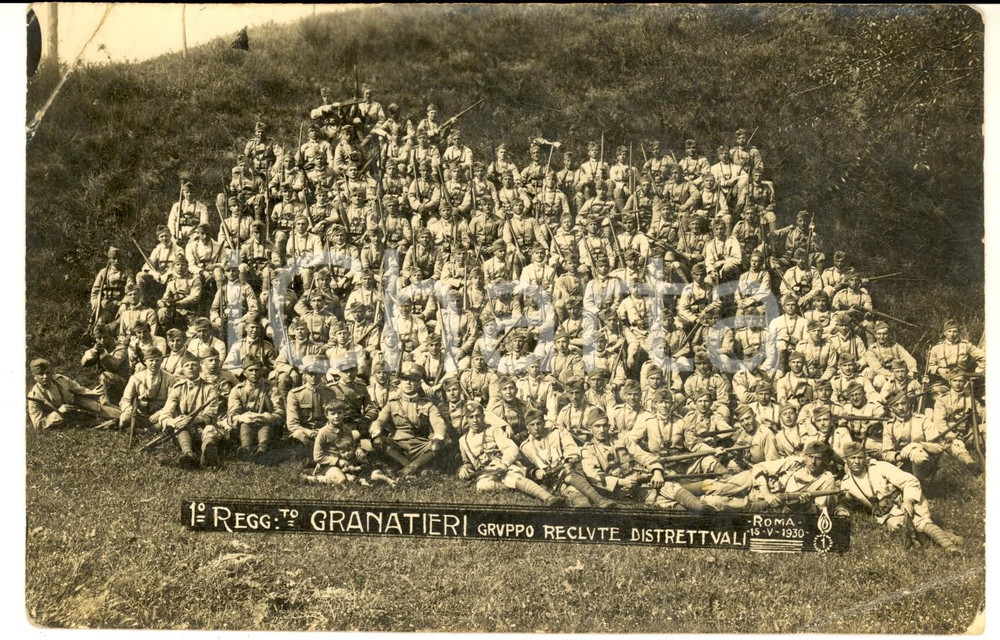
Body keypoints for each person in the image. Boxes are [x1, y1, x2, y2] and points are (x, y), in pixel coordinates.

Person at [581, 407, 713, 512]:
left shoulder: (621, 439)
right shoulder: (588, 450)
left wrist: (656, 470)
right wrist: (621, 482)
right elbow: (594, 476)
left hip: (639, 476)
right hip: (621, 489)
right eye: (597, 426)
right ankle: (695, 514)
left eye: (605, 425)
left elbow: (642, 455)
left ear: (609, 426)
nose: (602, 430)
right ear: (590, 428)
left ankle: (702, 508)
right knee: (659, 500)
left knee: (669, 486)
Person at [840, 442, 962, 553]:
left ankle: (950, 547)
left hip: (906, 498)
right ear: (846, 460)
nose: (856, 461)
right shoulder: (846, 484)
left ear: (865, 458)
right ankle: (945, 534)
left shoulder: (879, 467)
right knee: (897, 527)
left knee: (920, 521)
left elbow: (910, 481)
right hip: (887, 513)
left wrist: (908, 501)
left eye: (860, 457)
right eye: (852, 458)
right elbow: (851, 505)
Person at [458, 404, 565, 505]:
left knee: (511, 476)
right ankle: (521, 487)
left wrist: (504, 464)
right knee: (482, 485)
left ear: (483, 416)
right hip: (486, 473)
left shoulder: (494, 430)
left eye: (478, 416)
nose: (475, 420)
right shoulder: (463, 441)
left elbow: (511, 448)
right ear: (466, 419)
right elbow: (468, 463)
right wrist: (463, 468)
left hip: (503, 466)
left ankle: (548, 497)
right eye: (471, 417)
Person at [518, 408, 613, 508]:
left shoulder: (557, 432)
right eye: (532, 425)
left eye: (539, 423)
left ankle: (595, 500)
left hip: (568, 469)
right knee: (569, 488)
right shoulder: (525, 447)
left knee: (568, 474)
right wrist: (536, 471)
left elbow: (570, 447)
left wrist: (568, 459)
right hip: (551, 479)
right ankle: (591, 502)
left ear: (544, 423)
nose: (536, 428)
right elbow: (528, 468)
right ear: (527, 427)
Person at [369, 362, 449, 475]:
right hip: (398, 446)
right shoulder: (392, 403)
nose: (408, 382)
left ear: (419, 384)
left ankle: (410, 468)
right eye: (405, 379)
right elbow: (380, 420)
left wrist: (438, 436)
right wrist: (376, 430)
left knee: (441, 442)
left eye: (413, 380)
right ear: (400, 382)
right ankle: (415, 468)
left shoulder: (427, 405)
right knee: (377, 441)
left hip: (420, 446)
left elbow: (438, 423)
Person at [160, 352, 222, 469]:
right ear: (182, 370)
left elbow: (211, 414)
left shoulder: (210, 387)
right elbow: (166, 412)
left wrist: (192, 420)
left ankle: (207, 456)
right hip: (183, 430)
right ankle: (189, 456)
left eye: (194, 365)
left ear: (200, 367)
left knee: (210, 430)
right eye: (187, 365)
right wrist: (173, 421)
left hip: (203, 427)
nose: (190, 368)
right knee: (180, 426)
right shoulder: (178, 387)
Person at [27, 358, 121, 429]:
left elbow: (78, 389)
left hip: (76, 408)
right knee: (91, 423)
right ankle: (109, 423)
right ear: (35, 376)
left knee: (92, 404)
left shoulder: (60, 379)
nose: (45, 376)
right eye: (41, 374)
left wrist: (92, 392)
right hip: (62, 420)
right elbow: (38, 424)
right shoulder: (34, 396)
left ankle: (124, 415)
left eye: (48, 372)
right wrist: (59, 412)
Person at [226, 355, 284, 461]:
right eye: (250, 370)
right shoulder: (238, 390)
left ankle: (263, 449)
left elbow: (280, 413)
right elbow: (232, 415)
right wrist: (243, 417)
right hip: (244, 427)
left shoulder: (271, 388)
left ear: (262, 371)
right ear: (244, 373)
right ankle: (245, 449)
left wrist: (266, 417)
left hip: (267, 426)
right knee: (245, 423)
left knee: (265, 424)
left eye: (257, 370)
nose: (254, 373)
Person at [118, 346, 175, 432]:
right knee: (124, 420)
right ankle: (145, 429)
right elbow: (125, 400)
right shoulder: (136, 378)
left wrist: (160, 413)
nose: (154, 363)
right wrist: (130, 410)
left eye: (157, 360)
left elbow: (172, 401)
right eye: (151, 360)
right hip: (140, 414)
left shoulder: (170, 379)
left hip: (159, 414)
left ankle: (146, 430)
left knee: (169, 419)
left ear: (161, 361)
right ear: (145, 362)